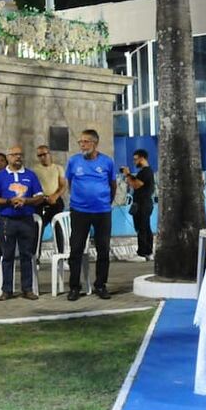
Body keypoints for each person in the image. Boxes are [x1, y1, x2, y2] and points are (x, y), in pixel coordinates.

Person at [65, 129, 117, 301]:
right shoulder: (73, 161)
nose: (82, 145)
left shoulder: (107, 162)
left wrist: (105, 202)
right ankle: (74, 287)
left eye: (85, 142)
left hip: (102, 212)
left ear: (95, 143)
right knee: (76, 249)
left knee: (103, 249)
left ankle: (100, 285)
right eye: (80, 142)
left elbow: (113, 184)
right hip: (79, 212)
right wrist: (80, 200)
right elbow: (70, 183)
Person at [0, 145, 45, 300]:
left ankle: (27, 289)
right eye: (14, 155)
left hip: (26, 220)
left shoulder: (30, 175)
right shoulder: (0, 176)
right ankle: (7, 290)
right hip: (7, 220)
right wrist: (8, 201)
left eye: (20, 154)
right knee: (7, 256)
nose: (18, 157)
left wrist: (26, 201)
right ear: (8, 157)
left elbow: (40, 196)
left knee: (26, 255)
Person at [120, 149, 155, 260]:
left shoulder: (145, 172)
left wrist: (127, 174)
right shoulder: (144, 172)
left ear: (142, 158)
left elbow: (136, 184)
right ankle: (148, 252)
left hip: (143, 204)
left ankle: (142, 253)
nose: (134, 162)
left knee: (142, 228)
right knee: (144, 227)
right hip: (142, 203)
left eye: (136, 159)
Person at [35, 145, 68, 250]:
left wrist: (55, 195)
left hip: (55, 201)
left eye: (44, 154)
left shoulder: (58, 168)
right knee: (38, 229)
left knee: (58, 228)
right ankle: (36, 259)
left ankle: (61, 256)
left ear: (49, 154)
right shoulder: (34, 170)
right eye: (39, 155)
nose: (42, 157)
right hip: (41, 201)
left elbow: (63, 185)